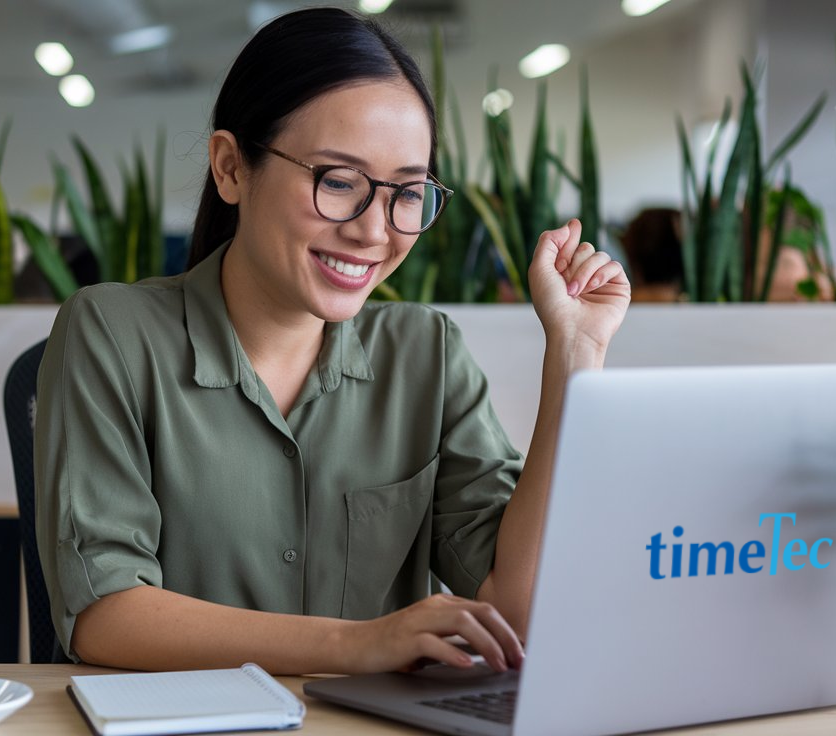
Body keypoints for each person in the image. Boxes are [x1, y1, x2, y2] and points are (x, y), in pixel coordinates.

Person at [35, 7, 629, 677]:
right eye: (339, 182)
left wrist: (575, 356)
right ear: (231, 168)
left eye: (407, 193)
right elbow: (104, 614)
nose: (375, 230)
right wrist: (356, 644)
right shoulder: (111, 334)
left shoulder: (427, 354)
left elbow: (518, 613)